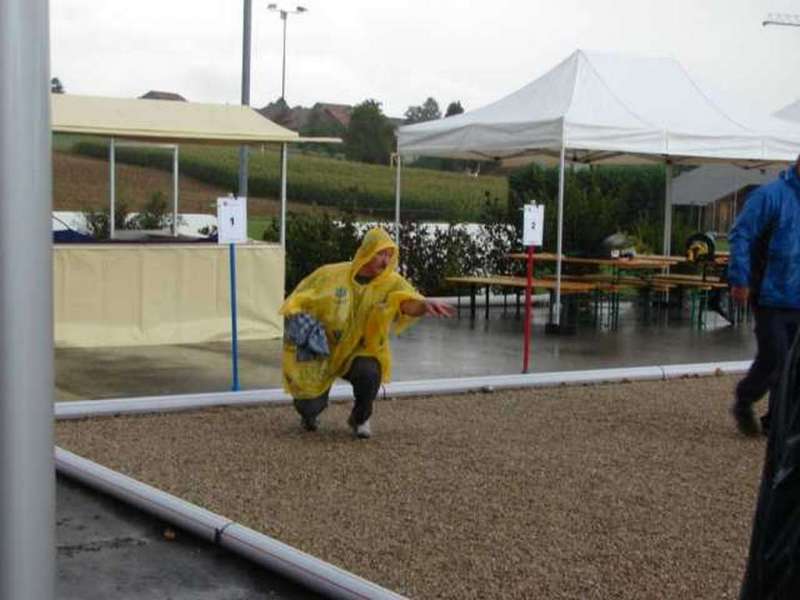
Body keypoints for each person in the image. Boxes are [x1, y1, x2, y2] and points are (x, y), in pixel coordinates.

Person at [279, 227, 455, 439]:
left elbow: (407, 302)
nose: (385, 260)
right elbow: (299, 300)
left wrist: (425, 305)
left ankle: (360, 418)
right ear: (366, 251)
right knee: (308, 404)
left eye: (389, 255)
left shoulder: (391, 282)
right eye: (381, 253)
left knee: (370, 373)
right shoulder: (330, 275)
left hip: (359, 350)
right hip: (323, 349)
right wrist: (304, 329)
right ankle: (309, 415)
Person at [728, 154, 800, 437]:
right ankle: (744, 399)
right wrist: (739, 278)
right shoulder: (769, 196)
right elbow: (741, 235)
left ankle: (777, 423)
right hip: (769, 293)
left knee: (794, 367)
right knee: (774, 358)